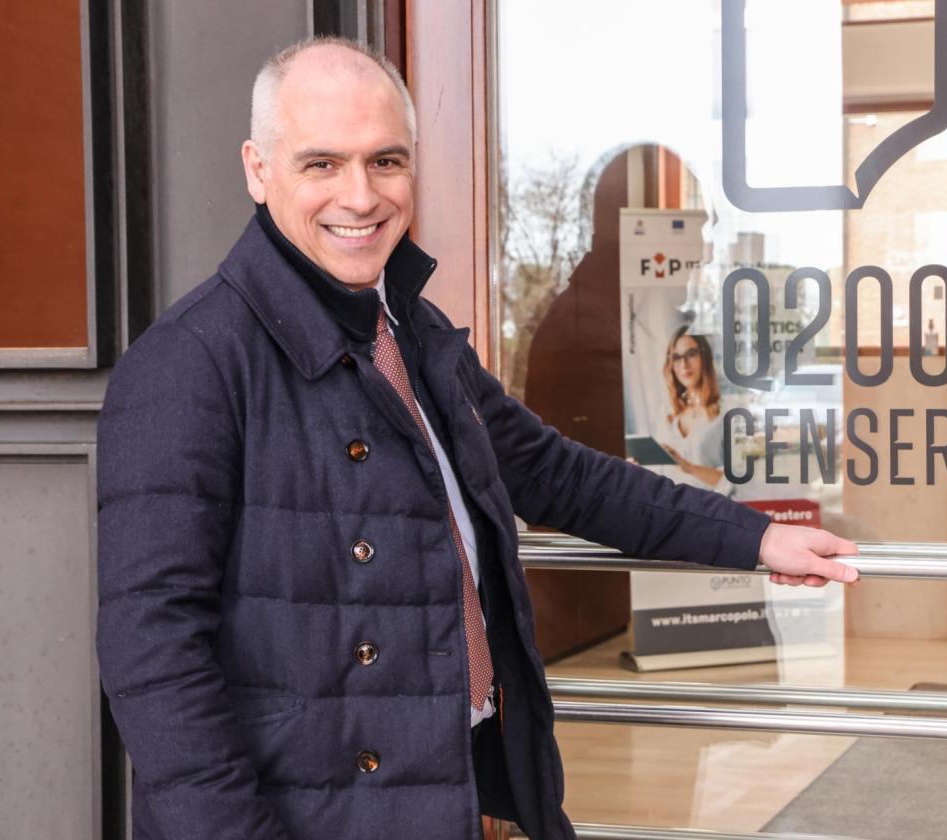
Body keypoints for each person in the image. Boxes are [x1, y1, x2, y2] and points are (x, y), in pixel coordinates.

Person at [95, 36, 858, 840]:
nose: (360, 195)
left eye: (385, 161)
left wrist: (754, 537)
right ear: (259, 170)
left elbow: (557, 474)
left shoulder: (410, 330)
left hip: (464, 781)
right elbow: (156, 662)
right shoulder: (188, 363)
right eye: (322, 164)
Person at [657, 326, 728, 491]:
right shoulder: (667, 413)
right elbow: (660, 472)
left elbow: (735, 480)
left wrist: (689, 468)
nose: (684, 364)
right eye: (676, 357)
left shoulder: (725, 412)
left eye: (691, 354)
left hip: (709, 504)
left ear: (705, 358)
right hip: (670, 504)